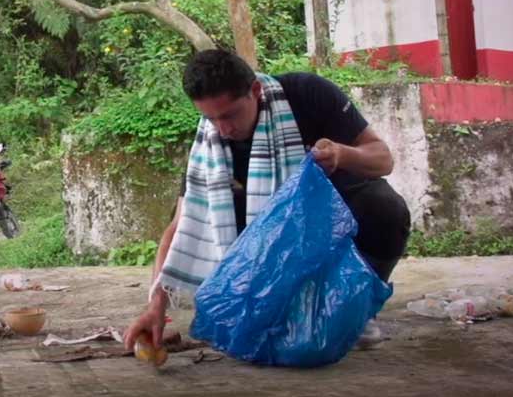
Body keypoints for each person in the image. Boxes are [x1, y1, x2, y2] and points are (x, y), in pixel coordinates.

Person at [123, 48, 410, 352]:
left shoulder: (308, 94)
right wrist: (155, 305)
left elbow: (383, 160)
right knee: (206, 213)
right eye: (211, 118)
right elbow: (181, 227)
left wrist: (341, 155)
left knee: (384, 208)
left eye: (230, 115)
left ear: (256, 91)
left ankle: (357, 307)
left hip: (328, 221)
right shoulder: (209, 144)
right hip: (258, 242)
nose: (224, 129)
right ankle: (272, 305)